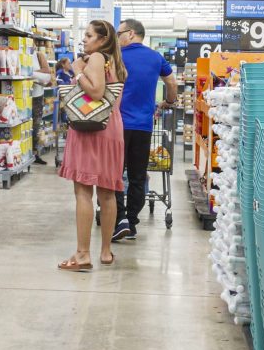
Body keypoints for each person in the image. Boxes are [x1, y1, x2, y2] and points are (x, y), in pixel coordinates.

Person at [57, 21, 127, 271]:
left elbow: (96, 92)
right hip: (112, 128)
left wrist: (77, 72)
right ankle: (106, 251)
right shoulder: (116, 62)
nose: (84, 40)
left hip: (90, 128)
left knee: (84, 192)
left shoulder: (96, 58)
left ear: (102, 39)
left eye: (88, 35)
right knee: (108, 193)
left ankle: (82, 254)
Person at [112, 19, 178, 243]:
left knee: (114, 176)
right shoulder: (156, 57)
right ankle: (131, 222)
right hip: (143, 126)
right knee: (137, 177)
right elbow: (171, 83)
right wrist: (169, 101)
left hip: (117, 126)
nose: (117, 38)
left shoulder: (116, 57)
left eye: (119, 33)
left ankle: (118, 218)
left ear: (130, 34)